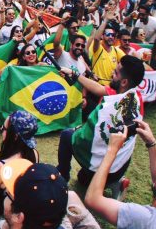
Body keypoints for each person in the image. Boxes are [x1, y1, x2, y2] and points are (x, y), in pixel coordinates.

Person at [58, 55, 146, 189]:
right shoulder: (136, 97)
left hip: (105, 170)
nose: (112, 73)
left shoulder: (106, 110)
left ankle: (62, 177)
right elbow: (100, 89)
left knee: (66, 136)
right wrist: (75, 74)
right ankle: (117, 182)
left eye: (115, 73)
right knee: (83, 176)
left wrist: (76, 130)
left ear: (124, 82)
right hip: (120, 165)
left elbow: (83, 138)